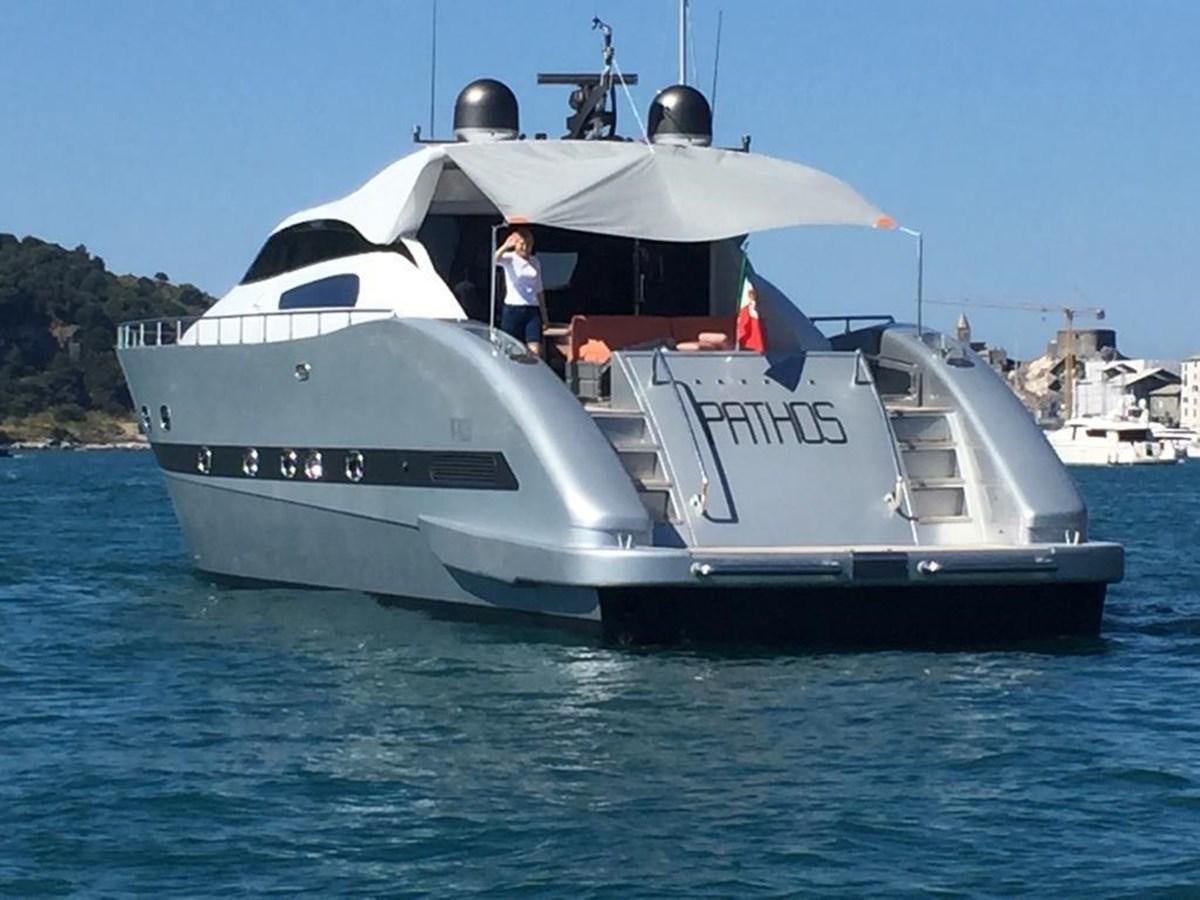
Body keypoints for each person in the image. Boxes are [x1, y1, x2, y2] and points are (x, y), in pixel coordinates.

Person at [495, 227, 548, 356]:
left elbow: (539, 288)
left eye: (529, 244)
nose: (525, 247)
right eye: (522, 244)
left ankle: (533, 371)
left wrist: (545, 315)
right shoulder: (509, 258)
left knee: (535, 348)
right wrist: (506, 246)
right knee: (509, 346)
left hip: (532, 308)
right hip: (513, 308)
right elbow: (494, 259)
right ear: (516, 244)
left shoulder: (535, 261)